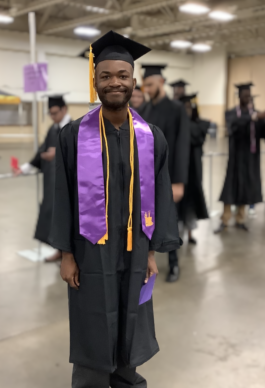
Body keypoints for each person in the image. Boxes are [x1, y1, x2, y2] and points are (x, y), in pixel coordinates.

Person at [49, 31, 180, 388]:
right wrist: (65, 253)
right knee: (94, 325)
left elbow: (159, 196)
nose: (114, 82)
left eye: (122, 75)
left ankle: (125, 379)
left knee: (130, 320)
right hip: (90, 252)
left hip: (136, 251)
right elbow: (62, 196)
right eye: (105, 76)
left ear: (133, 81)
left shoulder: (152, 137)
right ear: (95, 81)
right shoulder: (74, 136)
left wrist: (151, 252)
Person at [141, 65, 190, 283]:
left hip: (169, 176)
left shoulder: (177, 109)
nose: (147, 89)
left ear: (161, 82)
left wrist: (178, 181)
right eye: (145, 85)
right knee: (146, 219)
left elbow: (182, 145)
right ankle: (145, 260)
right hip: (147, 176)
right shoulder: (145, 110)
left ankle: (174, 264)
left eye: (150, 85)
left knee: (171, 220)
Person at [13, 95, 72, 262]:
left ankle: (67, 252)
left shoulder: (73, 128)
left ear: (64, 109)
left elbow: (82, 154)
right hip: (52, 182)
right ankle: (60, 249)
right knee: (52, 214)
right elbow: (41, 151)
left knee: (65, 216)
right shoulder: (54, 129)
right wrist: (23, 168)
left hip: (68, 183)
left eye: (55, 113)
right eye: (50, 114)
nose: (53, 117)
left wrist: (59, 153)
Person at [215, 83, 265, 233]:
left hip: (251, 157)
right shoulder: (231, 113)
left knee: (246, 187)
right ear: (239, 97)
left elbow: (261, 133)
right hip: (235, 157)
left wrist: (262, 120)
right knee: (230, 187)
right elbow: (233, 127)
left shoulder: (255, 113)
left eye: (249, 95)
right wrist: (253, 117)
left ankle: (240, 219)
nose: (247, 98)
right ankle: (225, 219)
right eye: (244, 95)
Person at [178, 94, 210, 244]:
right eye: (184, 108)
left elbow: (195, 136)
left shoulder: (200, 125)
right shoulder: (178, 125)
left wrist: (184, 120)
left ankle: (190, 234)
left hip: (194, 171)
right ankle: (177, 235)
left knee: (191, 204)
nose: (186, 110)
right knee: (178, 205)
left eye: (189, 107)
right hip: (179, 171)